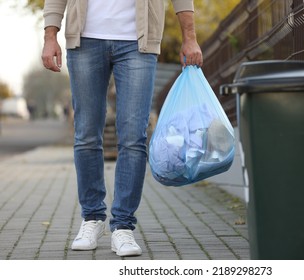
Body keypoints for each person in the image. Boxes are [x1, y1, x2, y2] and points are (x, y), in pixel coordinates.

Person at [41, 0, 203, 257]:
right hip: (84, 40)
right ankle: (92, 219)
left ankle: (123, 226)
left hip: (138, 43)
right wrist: (51, 35)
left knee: (133, 138)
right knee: (86, 136)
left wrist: (190, 37)